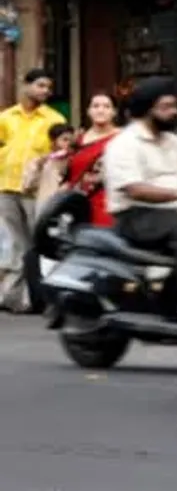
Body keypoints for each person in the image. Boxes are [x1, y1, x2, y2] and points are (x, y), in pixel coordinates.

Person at [102, 76, 177, 316]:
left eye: (174, 106)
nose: (174, 112)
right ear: (148, 110)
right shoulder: (125, 143)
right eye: (166, 107)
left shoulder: (173, 141)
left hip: (176, 213)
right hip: (136, 216)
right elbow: (134, 189)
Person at [0, 68, 66, 313]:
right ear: (25, 85)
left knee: (40, 243)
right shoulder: (6, 118)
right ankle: (14, 298)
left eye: (48, 87)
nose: (45, 91)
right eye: (40, 85)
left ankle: (46, 298)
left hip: (37, 191)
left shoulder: (54, 119)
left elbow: (62, 153)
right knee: (17, 244)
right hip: (6, 187)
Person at [65, 92, 122, 229]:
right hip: (79, 205)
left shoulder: (122, 139)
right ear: (88, 111)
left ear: (114, 112)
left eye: (106, 106)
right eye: (96, 106)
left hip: (111, 204)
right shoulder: (78, 140)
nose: (100, 110)